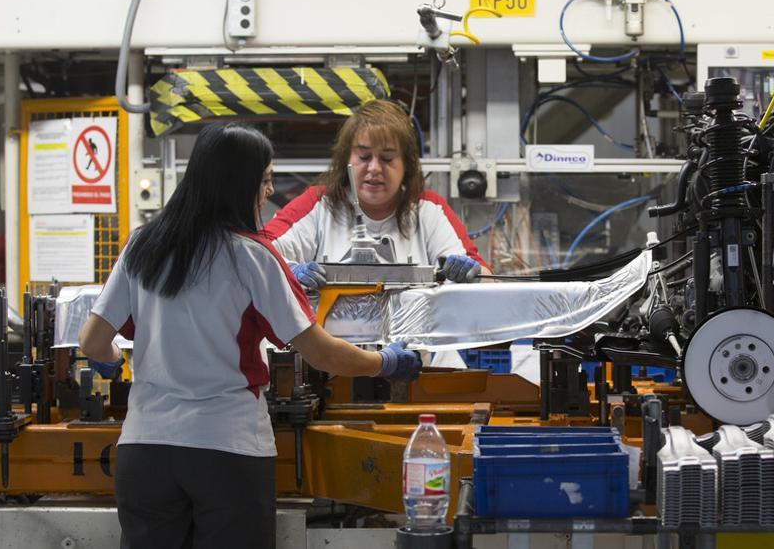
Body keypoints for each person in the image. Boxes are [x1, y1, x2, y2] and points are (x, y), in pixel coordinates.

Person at [78, 122, 421, 549]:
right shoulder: (252, 257)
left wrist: (111, 360)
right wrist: (386, 361)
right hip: (227, 451)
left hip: (145, 451)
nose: (267, 191)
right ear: (237, 184)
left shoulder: (142, 245)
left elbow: (91, 342)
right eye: (263, 180)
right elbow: (322, 355)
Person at [265, 100, 487, 290]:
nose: (374, 168)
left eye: (387, 158)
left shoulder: (429, 210)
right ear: (346, 160)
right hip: (328, 340)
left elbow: (486, 278)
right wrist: (288, 271)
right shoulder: (319, 204)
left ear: (407, 165)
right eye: (363, 156)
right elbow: (256, 254)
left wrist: (470, 275)